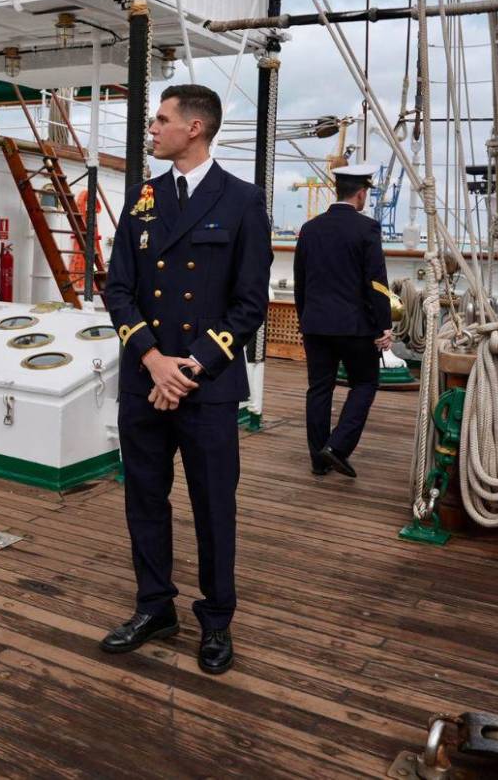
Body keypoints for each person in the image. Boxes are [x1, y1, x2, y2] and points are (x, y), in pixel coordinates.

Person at [101, 84, 272, 675]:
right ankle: (155, 606)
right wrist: (153, 360)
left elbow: (250, 306)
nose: (153, 129)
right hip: (145, 379)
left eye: (162, 120)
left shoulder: (244, 201)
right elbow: (117, 287)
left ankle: (217, 620)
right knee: (144, 499)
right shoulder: (142, 198)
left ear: (194, 128)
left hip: (207, 387)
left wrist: (189, 367)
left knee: (212, 506)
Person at [292, 163, 394, 480]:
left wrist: (305, 319)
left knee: (319, 389)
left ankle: (318, 459)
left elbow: (300, 282)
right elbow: (376, 283)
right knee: (365, 383)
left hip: (316, 324)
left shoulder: (310, 229)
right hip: (355, 327)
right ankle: (337, 447)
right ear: (361, 194)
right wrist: (384, 326)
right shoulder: (367, 229)